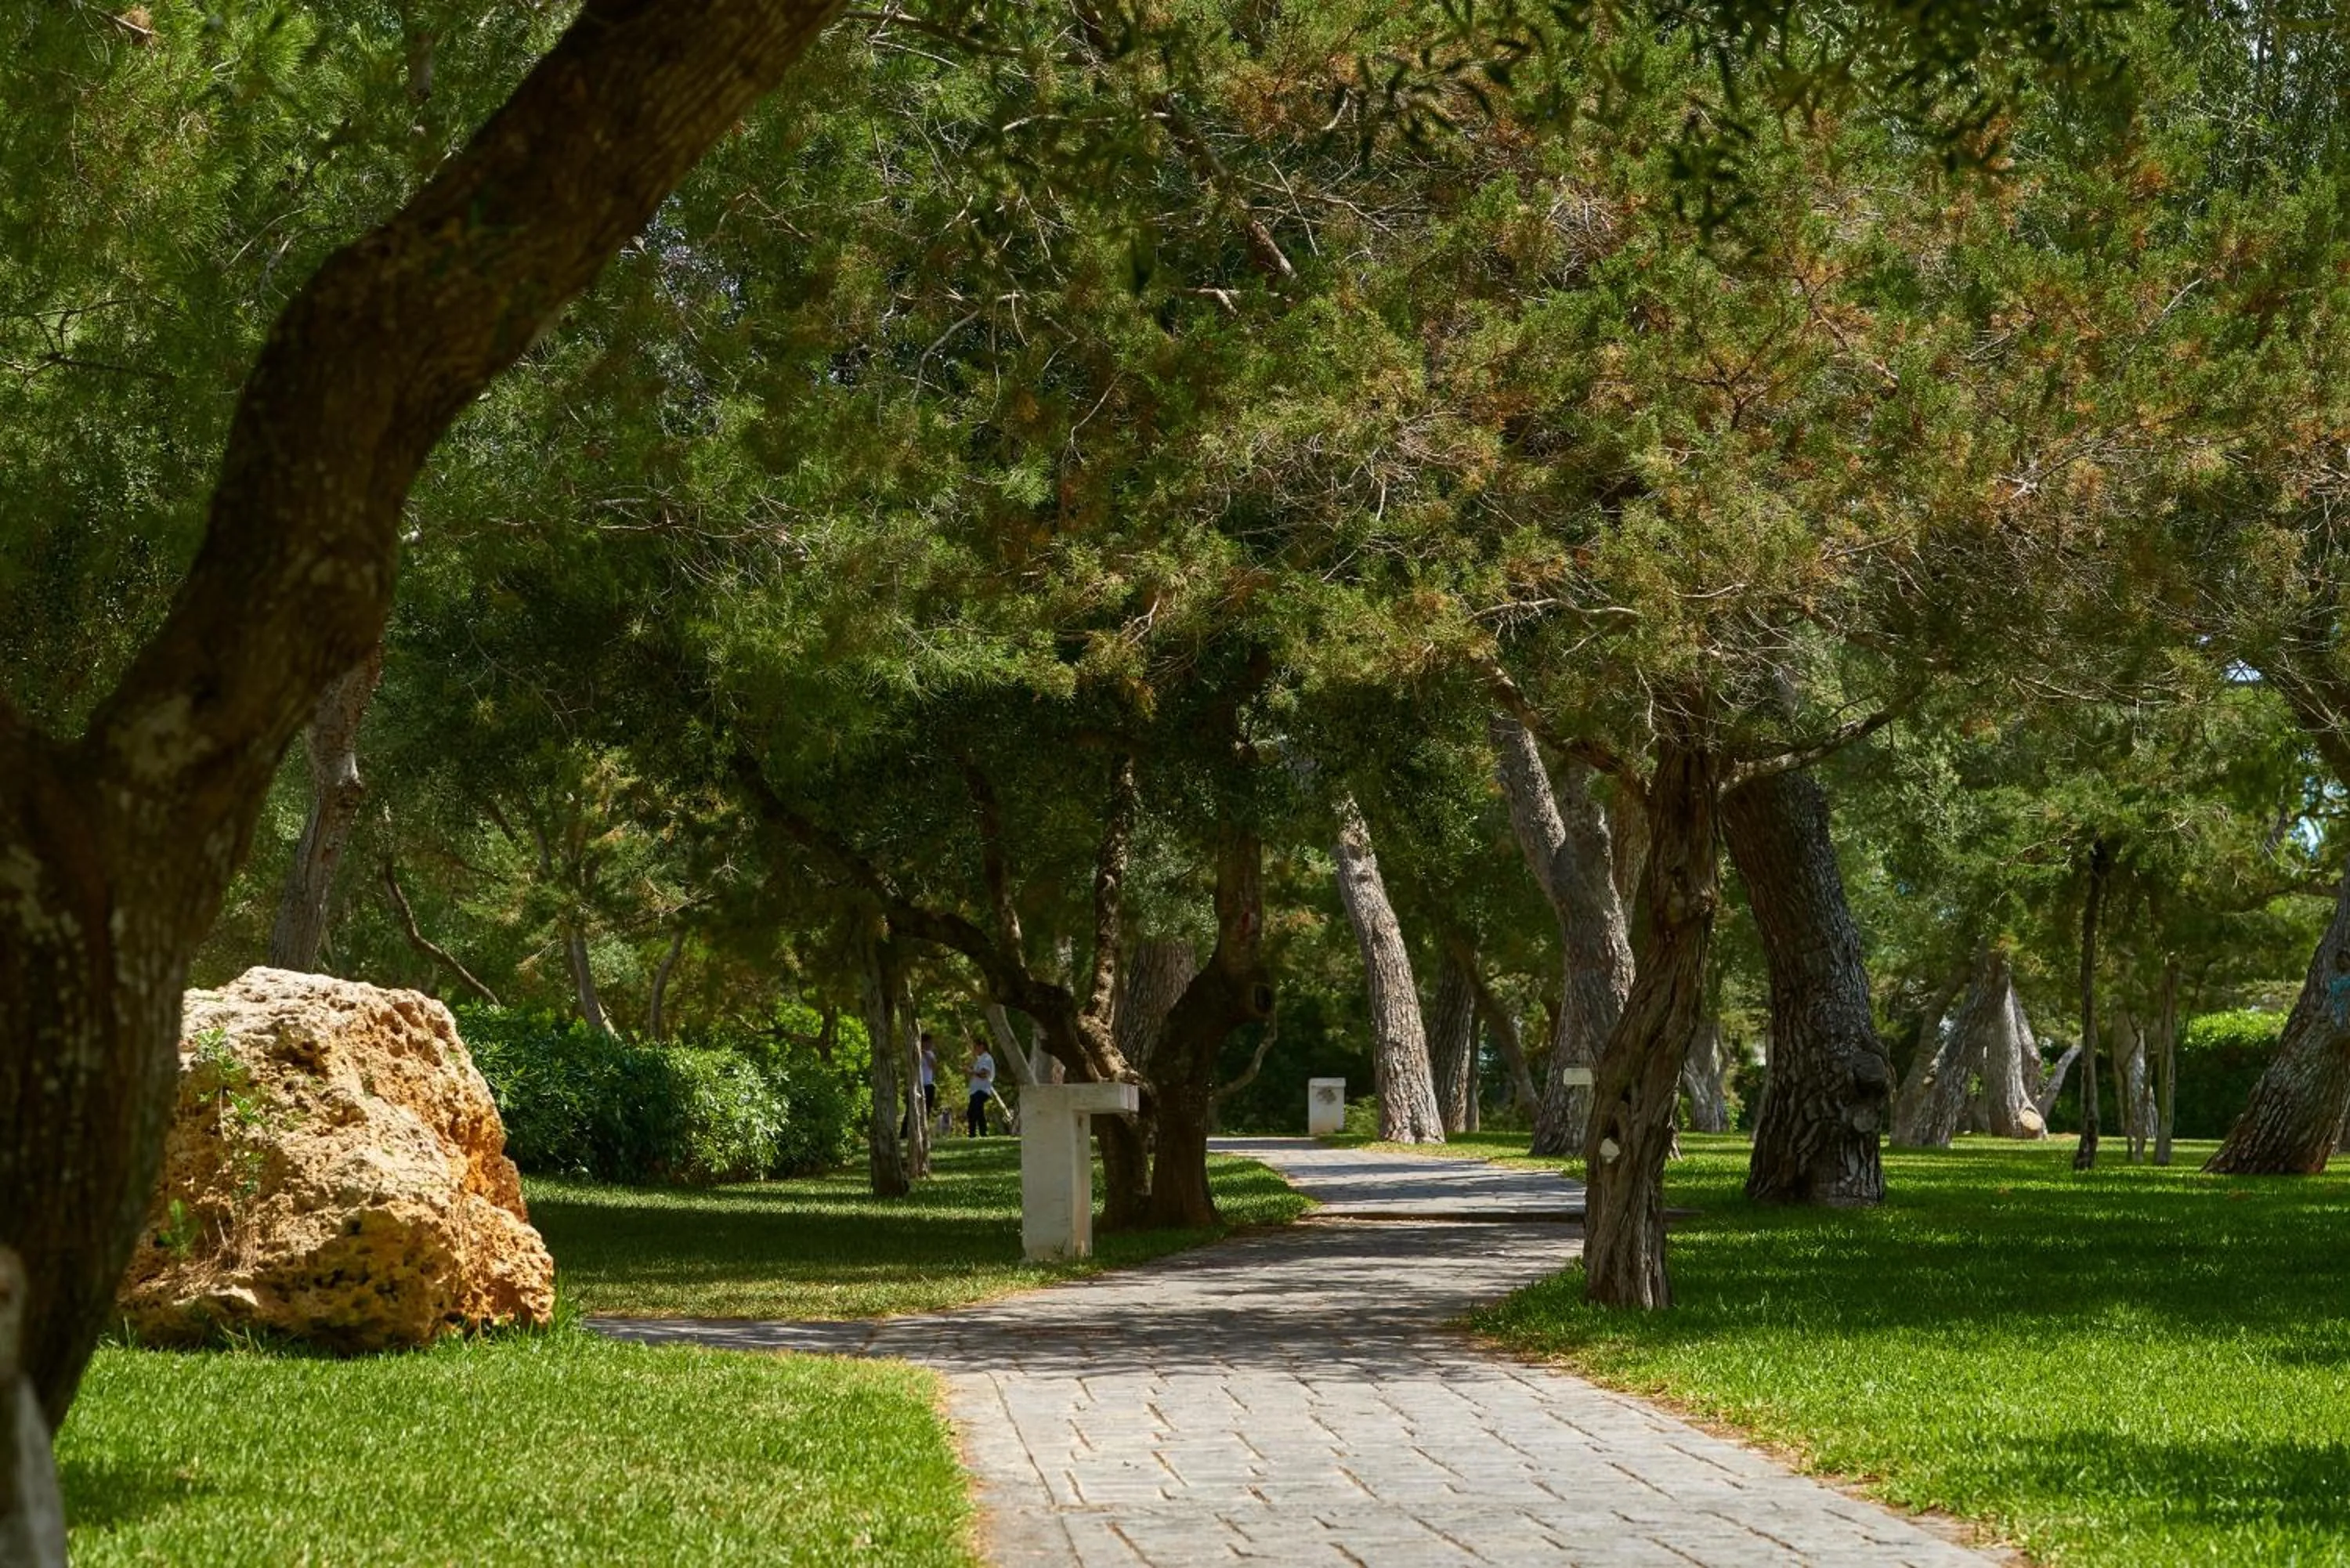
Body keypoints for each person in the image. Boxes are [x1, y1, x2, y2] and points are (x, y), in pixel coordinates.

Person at [967, 1040, 995, 1137]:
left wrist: (971, 1071)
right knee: (973, 1112)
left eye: (976, 1047)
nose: (975, 1050)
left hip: (982, 1090)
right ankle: (973, 1133)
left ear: (982, 1046)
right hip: (976, 1090)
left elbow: (984, 1074)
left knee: (977, 1111)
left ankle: (981, 1133)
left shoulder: (986, 1058)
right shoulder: (980, 1059)